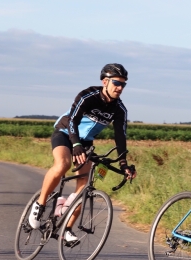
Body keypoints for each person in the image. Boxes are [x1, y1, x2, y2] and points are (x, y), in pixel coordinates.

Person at [28, 63, 137, 242]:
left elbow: (120, 137)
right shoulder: (88, 96)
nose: (120, 88)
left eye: (123, 85)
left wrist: (123, 163)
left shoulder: (119, 109)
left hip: (85, 142)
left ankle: (67, 228)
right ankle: (40, 205)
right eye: (117, 83)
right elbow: (72, 121)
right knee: (63, 164)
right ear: (105, 81)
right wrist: (76, 143)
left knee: (85, 185)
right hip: (65, 132)